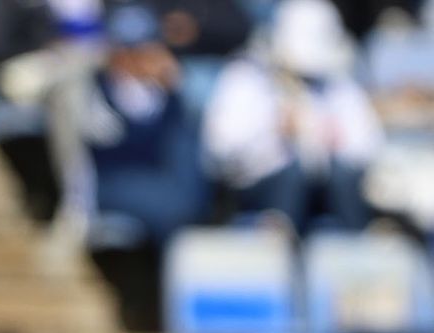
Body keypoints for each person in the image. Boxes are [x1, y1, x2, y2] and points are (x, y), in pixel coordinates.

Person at [203, 0, 383, 233]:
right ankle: (277, 254)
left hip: (326, 189)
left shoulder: (338, 85)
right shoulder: (245, 78)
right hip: (261, 188)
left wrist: (333, 140)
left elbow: (369, 145)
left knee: (344, 181)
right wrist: (274, 132)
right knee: (291, 177)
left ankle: (355, 253)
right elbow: (220, 150)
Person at [80, 5, 207, 244]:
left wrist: (173, 88)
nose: (149, 57)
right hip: (114, 182)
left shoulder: (167, 94)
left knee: (181, 196)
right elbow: (109, 142)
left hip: (163, 182)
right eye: (138, 51)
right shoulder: (98, 89)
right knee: (173, 208)